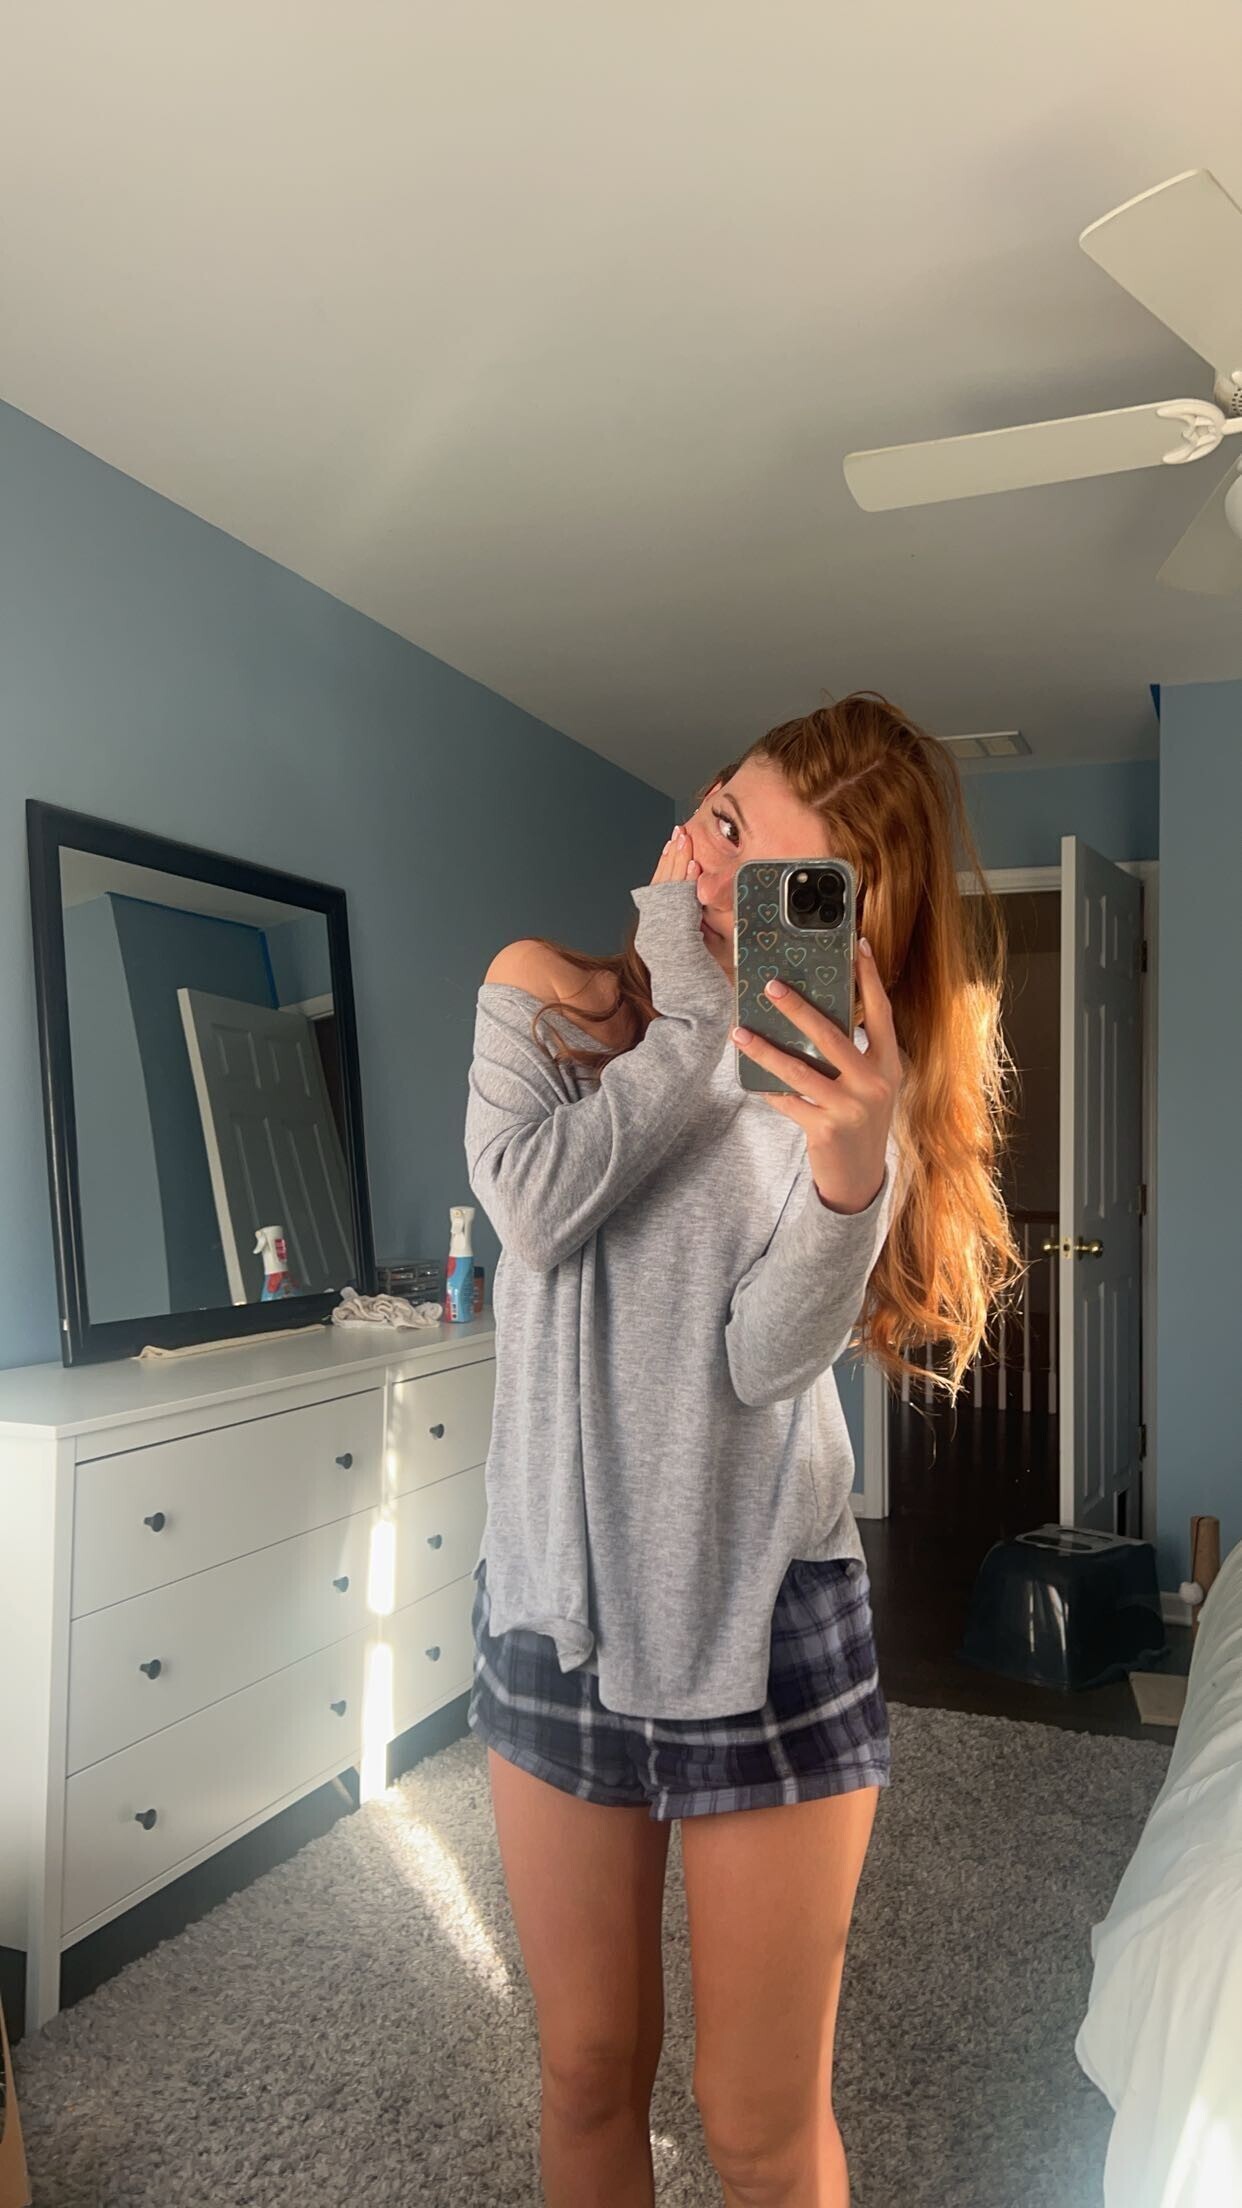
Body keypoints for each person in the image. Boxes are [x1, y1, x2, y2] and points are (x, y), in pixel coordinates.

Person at [463, 693, 1018, 2207]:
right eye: (720, 821)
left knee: (755, 2127)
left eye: (774, 874)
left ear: (840, 918)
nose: (714, 874)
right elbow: (535, 1207)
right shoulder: (542, 999)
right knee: (586, 2073)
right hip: (558, 1606)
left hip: (763, 1607)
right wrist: (696, 1024)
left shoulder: (826, 1095)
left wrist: (851, 1180)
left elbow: (762, 1364)